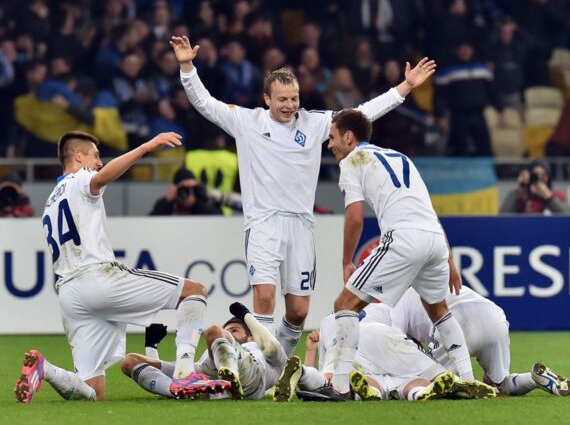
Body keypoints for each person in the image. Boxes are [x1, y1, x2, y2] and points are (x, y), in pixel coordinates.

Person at [170, 34, 436, 357]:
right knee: (265, 299)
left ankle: (277, 365)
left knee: (297, 311)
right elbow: (205, 103)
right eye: (282, 99)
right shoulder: (246, 121)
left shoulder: (314, 123)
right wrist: (187, 67)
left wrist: (404, 88)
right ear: (266, 98)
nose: (289, 105)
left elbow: (363, 114)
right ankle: (263, 369)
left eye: (294, 98)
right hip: (264, 223)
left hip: (301, 225)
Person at [15, 131, 227, 403]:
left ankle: (46, 369)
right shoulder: (79, 179)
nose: (99, 162)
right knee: (194, 291)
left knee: (93, 391)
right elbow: (101, 178)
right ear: (78, 157)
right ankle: (186, 372)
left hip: (69, 295)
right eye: (95, 155)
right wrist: (145, 147)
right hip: (97, 277)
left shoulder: (50, 202)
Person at [322, 109, 475, 400]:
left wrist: (346, 260)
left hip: (403, 238)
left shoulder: (353, 161)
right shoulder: (400, 157)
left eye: (332, 138)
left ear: (348, 136)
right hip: (433, 239)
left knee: (344, 304)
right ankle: (468, 379)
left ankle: (339, 386)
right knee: (438, 309)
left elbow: (355, 218)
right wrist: (449, 257)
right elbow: (428, 211)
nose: (329, 145)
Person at [384, 286, 570, 397]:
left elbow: (398, 343)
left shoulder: (397, 303)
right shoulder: (434, 280)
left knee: (432, 385)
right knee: (500, 383)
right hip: (494, 318)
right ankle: (533, 379)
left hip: (455, 324)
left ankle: (483, 392)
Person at [274, 316, 495, 403]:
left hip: (347, 340)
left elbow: (327, 374)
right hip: (383, 337)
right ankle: (442, 384)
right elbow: (418, 336)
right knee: (413, 378)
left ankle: (302, 372)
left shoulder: (332, 316)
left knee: (341, 384)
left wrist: (310, 352)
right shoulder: (394, 303)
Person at [121, 302, 288, 400]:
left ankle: (231, 373)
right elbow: (157, 379)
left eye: (234, 331)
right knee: (129, 362)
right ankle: (175, 390)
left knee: (212, 331)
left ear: (251, 337)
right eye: (227, 331)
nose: (229, 333)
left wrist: (245, 315)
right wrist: (151, 347)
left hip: (248, 374)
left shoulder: (261, 352)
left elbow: (271, 346)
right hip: (207, 375)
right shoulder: (216, 346)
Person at [499, 159, 570, 214]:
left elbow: (567, 219)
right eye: (535, 176)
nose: (539, 179)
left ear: (548, 178)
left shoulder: (557, 196)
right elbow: (502, 218)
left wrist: (549, 198)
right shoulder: (522, 198)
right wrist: (519, 191)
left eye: (543, 175)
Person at [149, 167, 224, 215]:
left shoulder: (205, 203)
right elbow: (151, 224)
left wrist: (196, 204)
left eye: (192, 189)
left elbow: (217, 220)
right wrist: (166, 202)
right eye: (184, 189)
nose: (188, 193)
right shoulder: (166, 205)